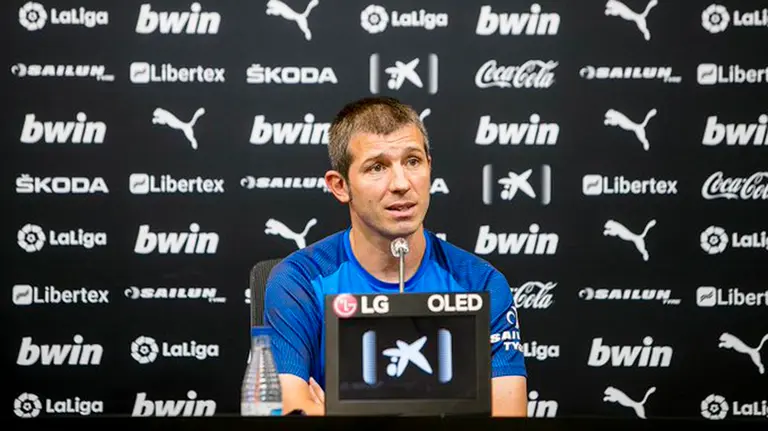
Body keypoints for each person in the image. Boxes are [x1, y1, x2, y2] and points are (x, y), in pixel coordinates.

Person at [263, 96, 527, 416]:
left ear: (430, 166)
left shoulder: (482, 283)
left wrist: (336, 413)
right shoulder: (299, 280)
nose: (401, 184)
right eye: (377, 167)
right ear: (340, 185)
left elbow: (508, 419)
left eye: (413, 161)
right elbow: (290, 413)